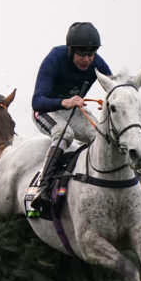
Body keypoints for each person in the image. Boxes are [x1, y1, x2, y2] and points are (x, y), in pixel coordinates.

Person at [30, 22, 113, 213]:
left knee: (101, 135)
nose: (87, 59)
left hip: (72, 109)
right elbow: (37, 101)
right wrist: (64, 102)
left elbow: (114, 87)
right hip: (46, 110)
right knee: (65, 133)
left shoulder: (97, 62)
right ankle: (43, 186)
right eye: (82, 54)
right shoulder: (55, 58)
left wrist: (114, 99)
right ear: (70, 50)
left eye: (91, 54)